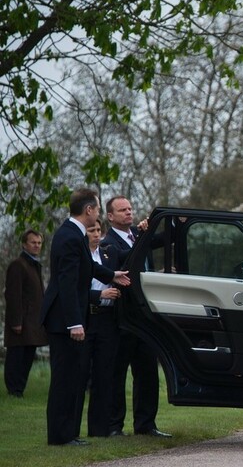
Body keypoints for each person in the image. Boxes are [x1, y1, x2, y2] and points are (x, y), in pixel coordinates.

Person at [41, 188, 130, 446]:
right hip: (63, 321)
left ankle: (67, 433)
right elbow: (67, 284)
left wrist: (112, 275)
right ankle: (60, 436)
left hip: (66, 319)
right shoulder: (69, 237)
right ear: (89, 210)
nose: (99, 213)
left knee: (71, 378)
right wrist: (75, 322)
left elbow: (87, 267)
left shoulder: (73, 234)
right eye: (99, 209)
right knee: (65, 379)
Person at [102, 195, 171, 438]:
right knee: (117, 373)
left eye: (130, 209)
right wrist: (143, 236)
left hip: (145, 316)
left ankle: (145, 424)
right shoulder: (107, 242)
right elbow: (126, 260)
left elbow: (165, 240)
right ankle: (113, 426)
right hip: (121, 318)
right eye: (122, 210)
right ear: (110, 216)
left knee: (147, 372)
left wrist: (176, 222)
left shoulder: (138, 235)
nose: (129, 213)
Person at [76, 219, 123, 437]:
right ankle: (72, 430)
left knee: (105, 375)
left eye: (98, 230)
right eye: (91, 230)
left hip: (106, 320)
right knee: (81, 373)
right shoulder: (78, 256)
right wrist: (99, 295)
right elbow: (71, 290)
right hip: (86, 319)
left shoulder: (108, 253)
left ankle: (100, 430)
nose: (95, 234)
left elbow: (133, 255)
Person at [4, 230, 48, 397]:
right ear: (24, 244)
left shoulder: (34, 265)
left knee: (28, 355)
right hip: (21, 322)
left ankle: (19, 389)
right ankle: (13, 390)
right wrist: (16, 321)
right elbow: (13, 295)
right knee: (16, 356)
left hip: (32, 322)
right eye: (33, 242)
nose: (37, 245)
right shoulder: (18, 265)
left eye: (39, 242)